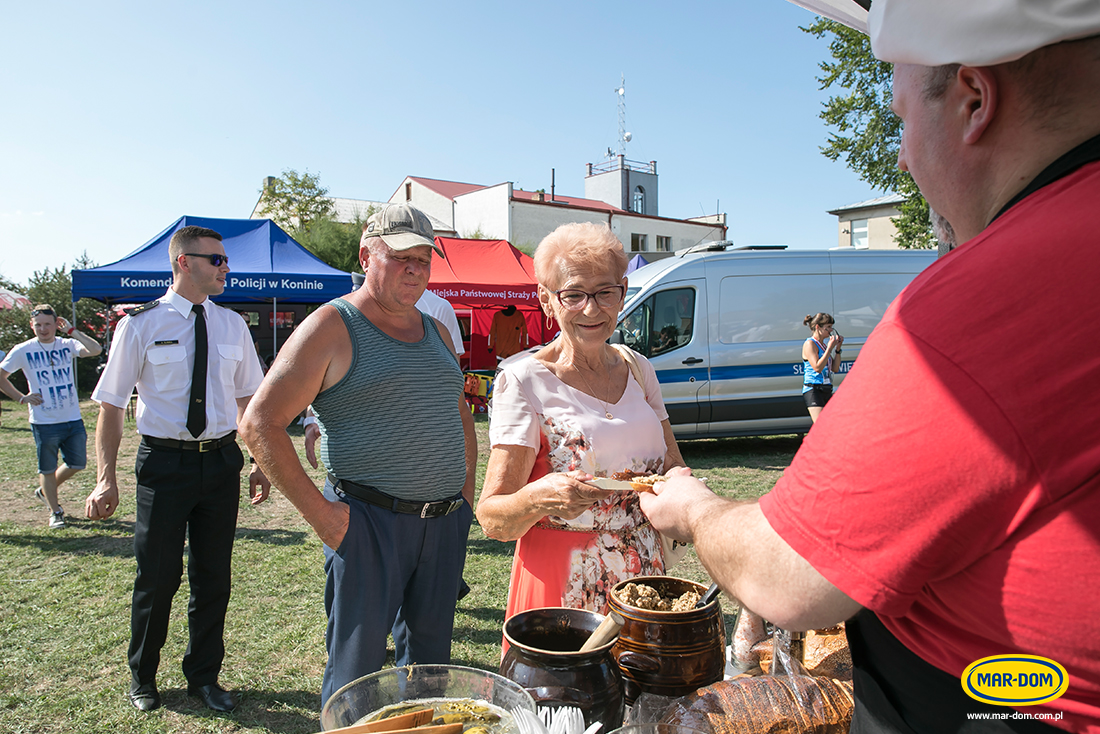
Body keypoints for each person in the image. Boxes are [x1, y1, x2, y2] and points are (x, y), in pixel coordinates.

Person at [640, 2, 1100, 731]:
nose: (901, 156)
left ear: (976, 102)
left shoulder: (992, 292)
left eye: (902, 116)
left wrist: (695, 509)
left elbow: (785, 577)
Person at [238, 203, 476, 707]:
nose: (415, 269)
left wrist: (465, 497)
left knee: (431, 669)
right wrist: (326, 520)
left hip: (444, 523)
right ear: (366, 254)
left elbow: (458, 415)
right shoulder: (333, 325)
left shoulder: (435, 330)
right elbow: (259, 423)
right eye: (400, 256)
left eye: (424, 259)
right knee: (356, 675)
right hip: (368, 523)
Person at [83, 225, 270, 713]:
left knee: (214, 577)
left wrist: (259, 461)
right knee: (158, 576)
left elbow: (251, 400)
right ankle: (143, 676)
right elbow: (109, 405)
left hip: (220, 462)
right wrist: (106, 478)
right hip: (164, 464)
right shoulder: (140, 325)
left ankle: (203, 677)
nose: (226, 268)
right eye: (217, 260)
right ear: (184, 262)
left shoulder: (232, 325)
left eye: (226, 260)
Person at [476, 221, 687, 624]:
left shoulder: (638, 368)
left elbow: (673, 463)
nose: (591, 309)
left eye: (604, 292)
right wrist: (539, 498)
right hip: (563, 584)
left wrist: (686, 488)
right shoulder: (522, 381)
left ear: (622, 293)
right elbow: (491, 518)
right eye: (573, 295)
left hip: (644, 582)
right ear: (546, 299)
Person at [0, 304, 102, 528]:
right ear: (31, 326)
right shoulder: (23, 349)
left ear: (57, 324)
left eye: (48, 324)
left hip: (72, 417)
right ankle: (55, 511)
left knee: (77, 463)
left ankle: (45, 490)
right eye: (38, 325)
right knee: (47, 467)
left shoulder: (67, 344)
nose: (43, 329)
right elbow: (1, 375)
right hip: (44, 421)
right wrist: (21, 398)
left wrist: (72, 331)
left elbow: (95, 350)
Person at [800, 313, 843, 423]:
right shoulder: (810, 343)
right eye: (827, 327)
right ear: (818, 327)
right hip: (814, 389)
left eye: (831, 327)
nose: (830, 330)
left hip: (826, 387)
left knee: (832, 424)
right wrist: (829, 348)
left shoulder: (823, 345)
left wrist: (837, 350)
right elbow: (817, 367)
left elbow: (835, 368)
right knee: (821, 425)